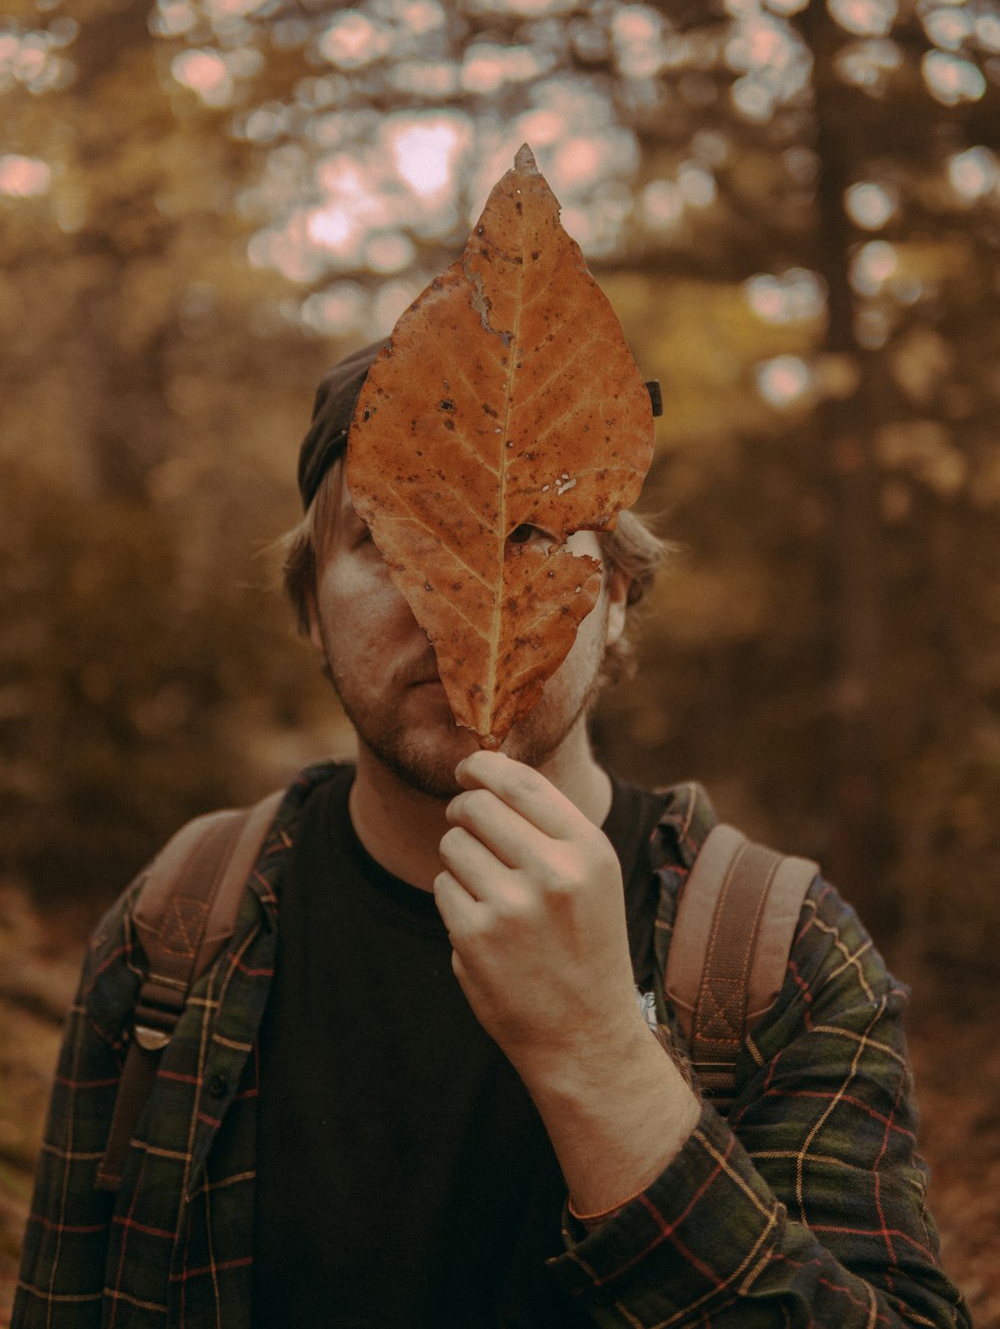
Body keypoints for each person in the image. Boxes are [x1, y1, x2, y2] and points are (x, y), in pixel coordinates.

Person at [15, 336, 967, 1329]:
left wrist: (600, 1053)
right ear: (309, 606)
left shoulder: (780, 957)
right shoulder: (174, 927)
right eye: (388, 538)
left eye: (530, 532)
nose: (459, 601)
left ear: (612, 598)